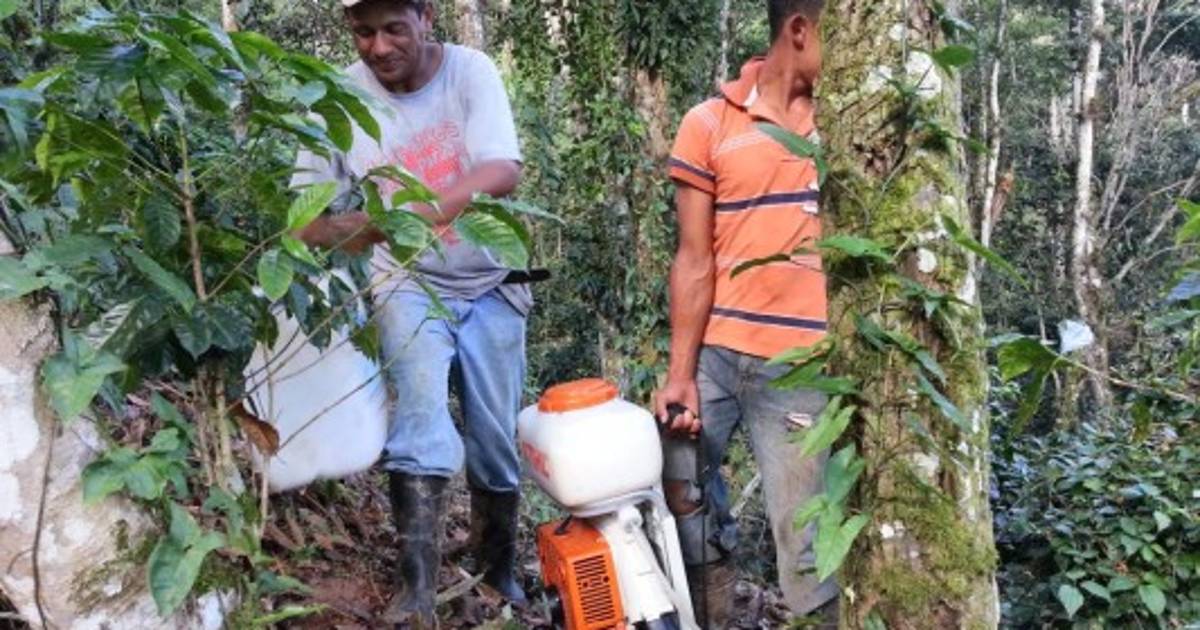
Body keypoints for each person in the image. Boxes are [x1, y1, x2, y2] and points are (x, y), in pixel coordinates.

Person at [291, 0, 528, 626]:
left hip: (492, 279)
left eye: (394, 28)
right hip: (407, 281)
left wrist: (404, 216)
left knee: (495, 438)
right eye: (363, 32)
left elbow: (502, 169)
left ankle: (496, 567)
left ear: (427, 18)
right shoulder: (338, 98)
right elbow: (303, 220)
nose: (379, 46)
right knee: (421, 421)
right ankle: (416, 589)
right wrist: (346, 229)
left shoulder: (469, 72)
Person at [653, 0, 837, 626]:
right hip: (717, 355)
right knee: (680, 489)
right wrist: (680, 375)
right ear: (799, 30)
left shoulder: (845, 125)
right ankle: (713, 614)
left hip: (804, 369)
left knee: (808, 544)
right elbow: (693, 258)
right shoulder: (708, 122)